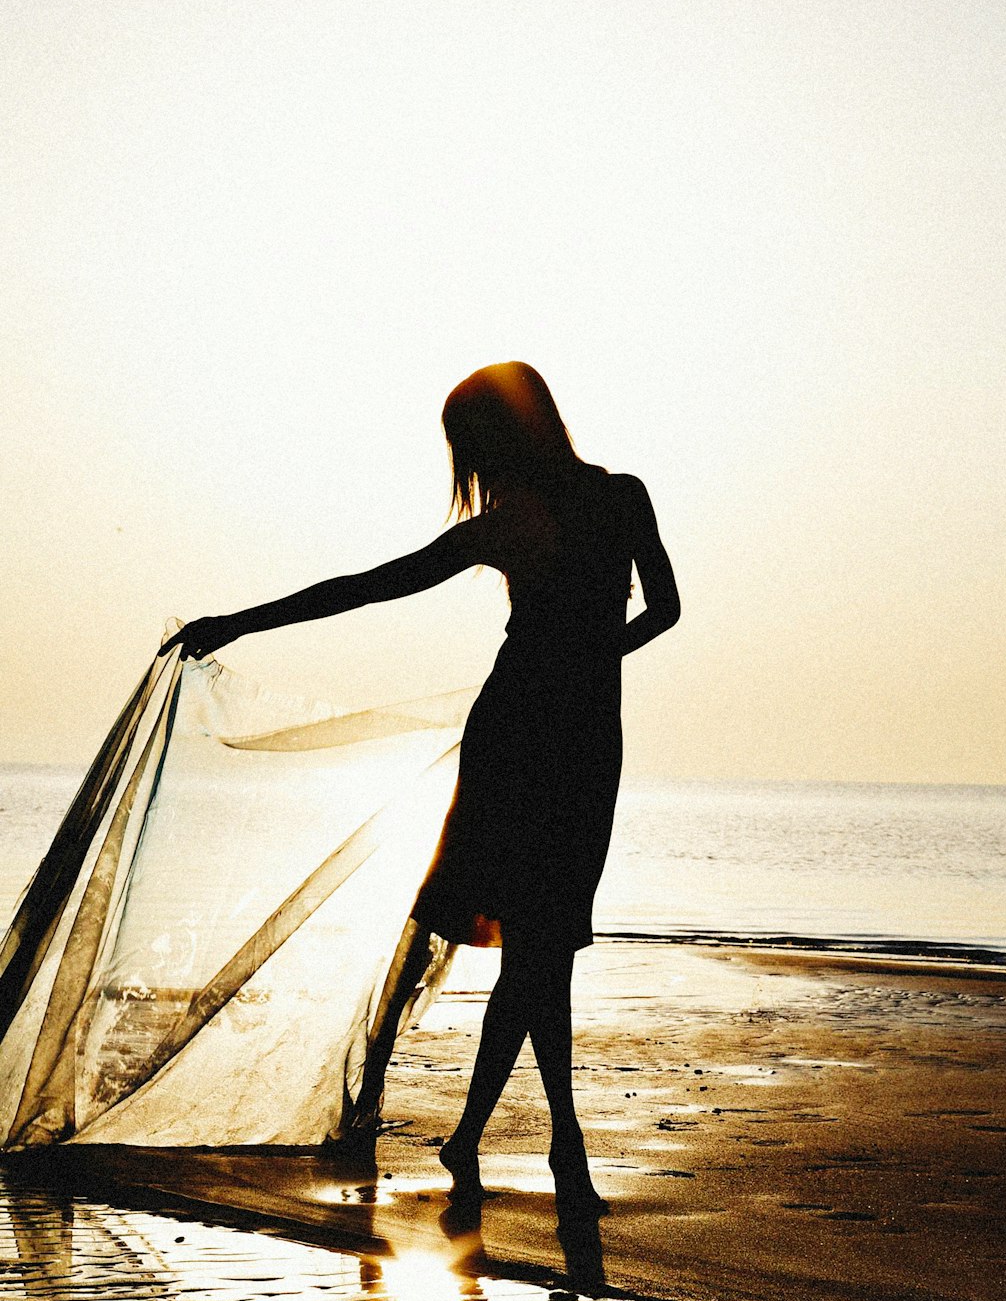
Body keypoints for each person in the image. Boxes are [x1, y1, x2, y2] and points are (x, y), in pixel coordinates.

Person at [164, 362, 680, 1215]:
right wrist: (591, 660)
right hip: (554, 738)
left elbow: (367, 586)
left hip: (550, 735)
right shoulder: (608, 500)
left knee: (542, 947)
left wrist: (573, 661)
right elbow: (658, 611)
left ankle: (474, 1135)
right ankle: (563, 1148)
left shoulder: (539, 515)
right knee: (540, 946)